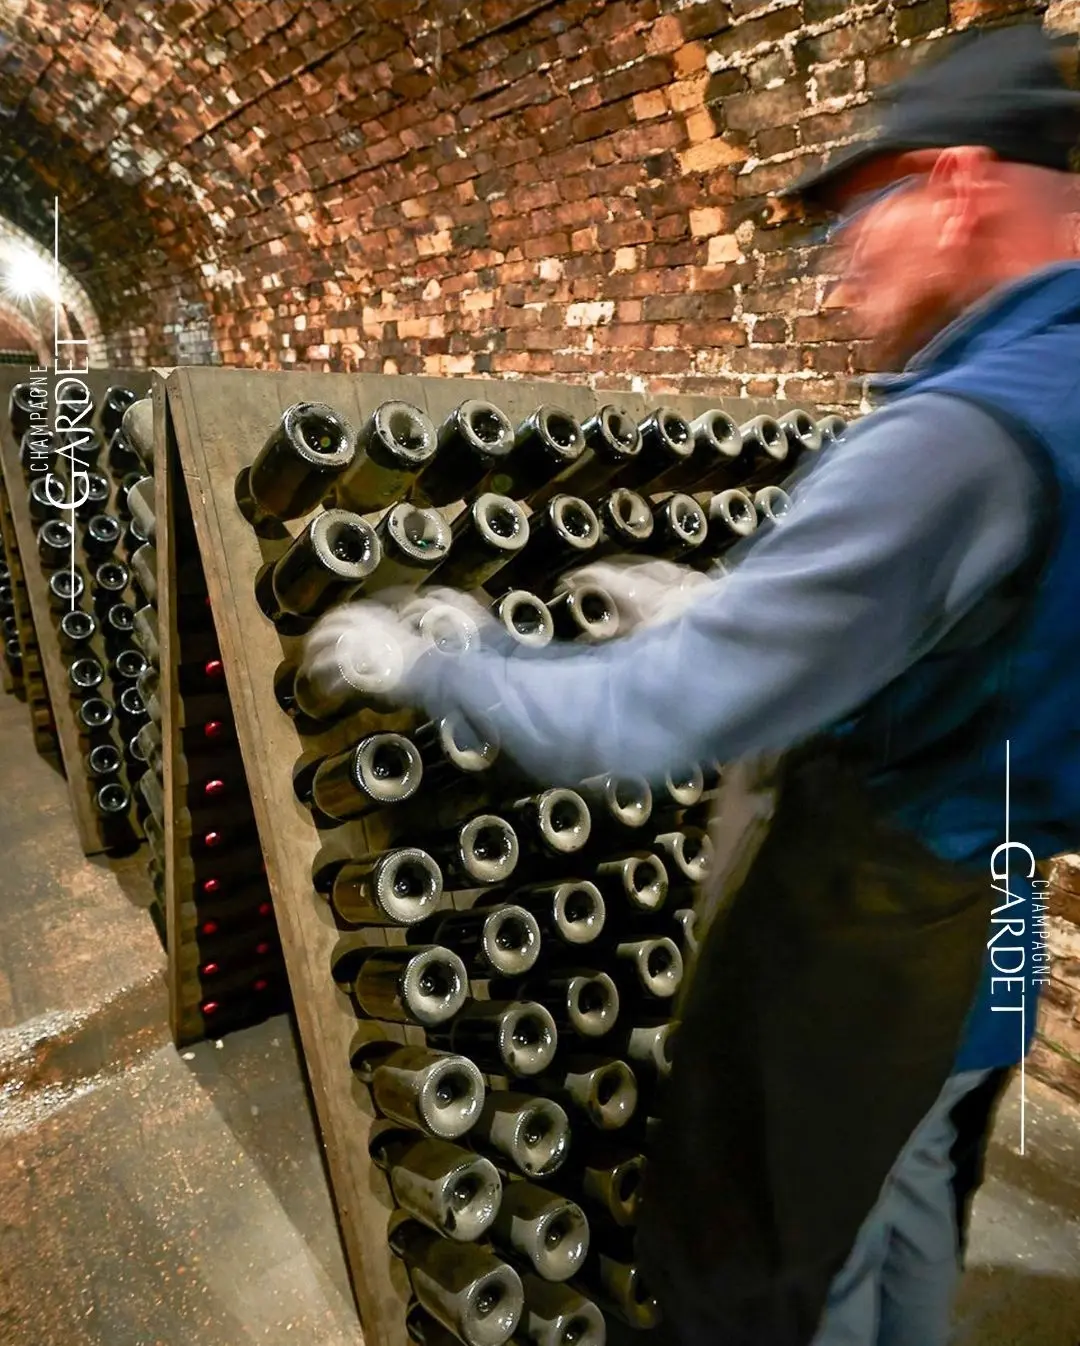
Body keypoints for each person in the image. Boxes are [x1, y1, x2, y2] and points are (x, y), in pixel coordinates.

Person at [308, 23, 1080, 1346]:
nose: (837, 263)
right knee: (904, 1214)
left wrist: (449, 660)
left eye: (857, 215)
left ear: (957, 186)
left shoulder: (952, 436)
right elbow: (987, 638)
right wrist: (737, 616)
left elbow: (643, 720)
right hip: (993, 927)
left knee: (763, 1272)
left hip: (860, 939)